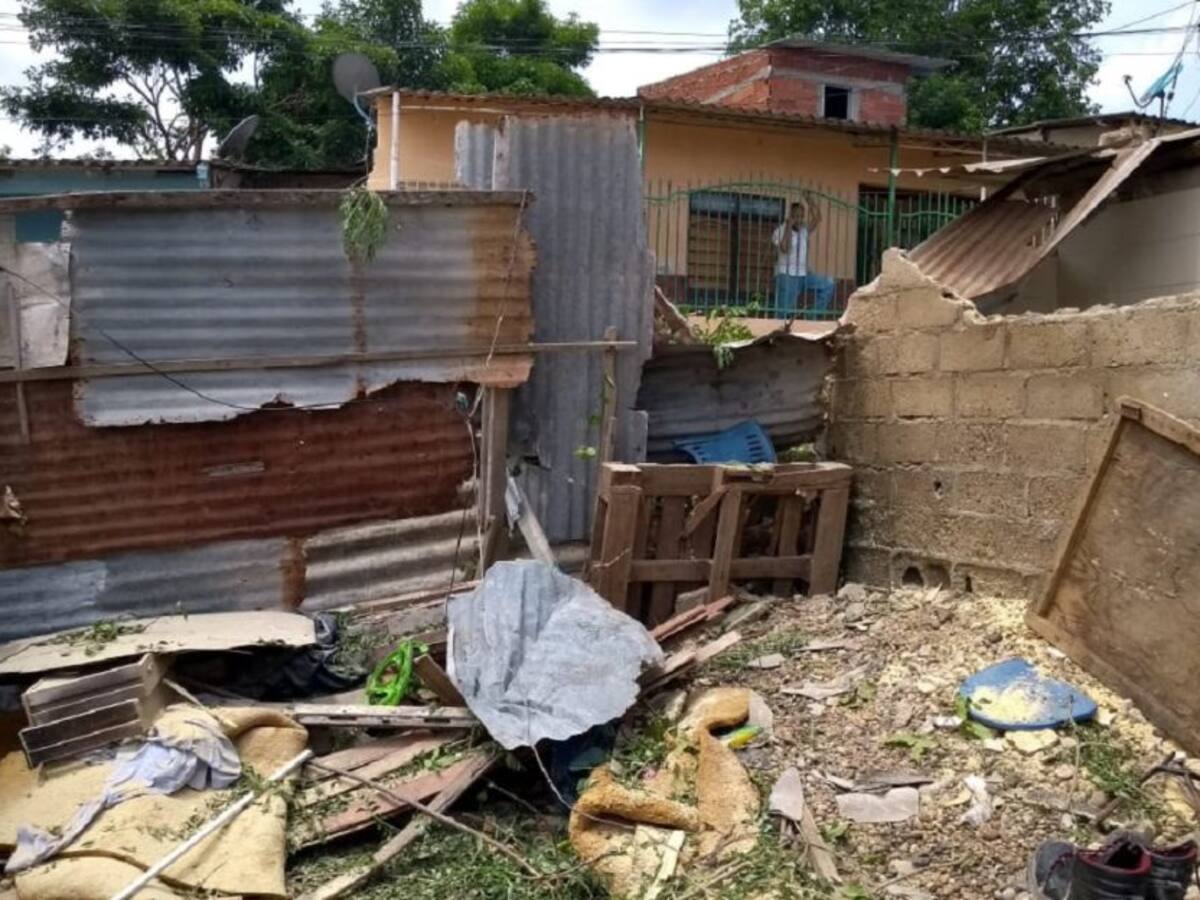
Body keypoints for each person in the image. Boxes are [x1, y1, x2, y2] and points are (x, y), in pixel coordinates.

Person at [771, 197, 836, 317]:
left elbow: (817, 218)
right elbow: (785, 249)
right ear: (790, 216)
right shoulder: (779, 231)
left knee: (829, 283)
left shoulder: (804, 230)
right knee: (782, 313)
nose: (799, 220)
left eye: (801, 216)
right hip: (787, 276)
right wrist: (788, 227)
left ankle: (812, 315)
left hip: (804, 274)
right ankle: (777, 333)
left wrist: (809, 200)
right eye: (796, 216)